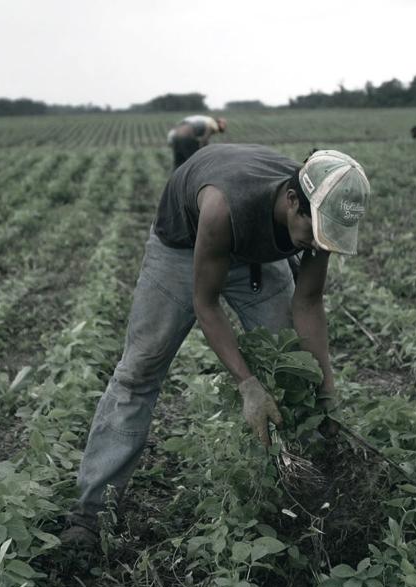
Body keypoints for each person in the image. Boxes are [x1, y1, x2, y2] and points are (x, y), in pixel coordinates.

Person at [61, 145, 371, 548]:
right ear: (293, 200)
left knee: (292, 370)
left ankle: (306, 494)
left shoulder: (317, 213)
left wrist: (326, 388)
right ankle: (91, 514)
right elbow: (205, 303)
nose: (318, 242)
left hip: (257, 256)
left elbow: (308, 302)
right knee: (139, 372)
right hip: (185, 247)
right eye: (315, 230)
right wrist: (247, 384)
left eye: (327, 235)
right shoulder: (223, 204)